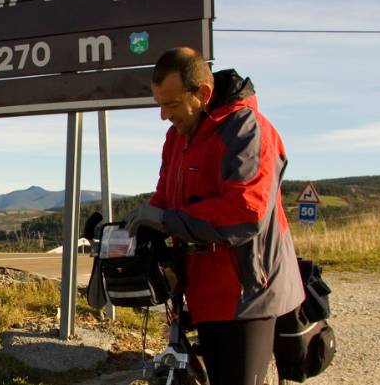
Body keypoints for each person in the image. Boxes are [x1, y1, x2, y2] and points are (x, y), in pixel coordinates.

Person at [125, 47, 304, 385]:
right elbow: (166, 195)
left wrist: (165, 221)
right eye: (160, 105)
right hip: (203, 286)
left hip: (246, 291)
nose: (164, 116)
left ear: (203, 94)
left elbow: (244, 211)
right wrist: (137, 224)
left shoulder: (246, 130)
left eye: (172, 104)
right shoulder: (179, 135)